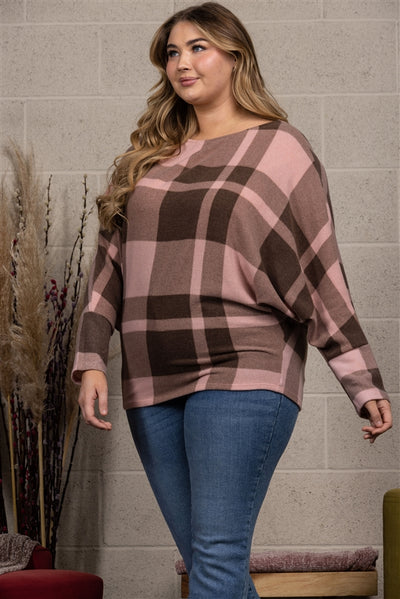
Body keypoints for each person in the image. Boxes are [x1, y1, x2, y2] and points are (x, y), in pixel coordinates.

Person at [72, 3, 392, 598]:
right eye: (173, 52)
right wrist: (90, 358)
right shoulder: (147, 157)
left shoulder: (282, 149)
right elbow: (107, 268)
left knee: (217, 559)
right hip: (151, 376)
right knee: (209, 564)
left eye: (199, 48)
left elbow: (321, 271)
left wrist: (361, 379)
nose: (182, 63)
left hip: (244, 366)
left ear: (236, 56)